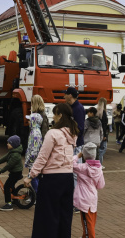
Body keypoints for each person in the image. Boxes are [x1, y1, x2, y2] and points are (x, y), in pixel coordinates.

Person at [24, 102, 76, 238]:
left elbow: (42, 157)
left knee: (47, 215)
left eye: (55, 113)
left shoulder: (52, 133)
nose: (53, 116)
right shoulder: (72, 133)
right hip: (68, 178)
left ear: (60, 115)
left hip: (51, 179)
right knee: (65, 214)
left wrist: (31, 175)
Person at [73, 143, 105, 238]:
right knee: (91, 221)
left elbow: (70, 163)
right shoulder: (99, 168)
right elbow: (100, 185)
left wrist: (78, 155)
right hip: (93, 198)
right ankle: (85, 235)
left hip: (83, 199)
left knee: (87, 223)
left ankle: (89, 236)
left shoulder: (82, 167)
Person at [0, 135, 24, 211]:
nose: (7, 144)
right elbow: (5, 157)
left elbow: (9, 165)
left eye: (9, 143)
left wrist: (1, 170)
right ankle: (15, 198)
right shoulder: (12, 151)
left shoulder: (16, 155)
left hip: (16, 173)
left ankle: (9, 204)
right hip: (14, 172)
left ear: (13, 145)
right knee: (11, 185)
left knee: (6, 187)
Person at [23, 112, 44, 193]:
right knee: (35, 178)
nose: (28, 121)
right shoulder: (35, 131)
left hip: (33, 161)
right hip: (34, 160)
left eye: (30, 120)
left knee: (33, 179)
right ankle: (35, 196)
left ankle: (37, 196)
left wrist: (30, 160)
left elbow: (35, 149)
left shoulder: (35, 132)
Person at [95, 98, 109, 166]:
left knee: (98, 149)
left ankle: (98, 163)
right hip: (102, 133)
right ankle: (99, 163)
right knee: (103, 148)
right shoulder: (103, 113)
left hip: (97, 133)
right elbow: (104, 125)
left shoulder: (97, 112)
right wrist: (104, 135)